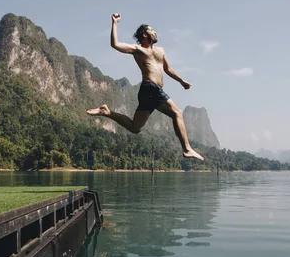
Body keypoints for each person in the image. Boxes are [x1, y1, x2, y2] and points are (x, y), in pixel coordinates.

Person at [87, 15, 204, 162]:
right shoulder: (138, 50)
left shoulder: (161, 51)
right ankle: (187, 149)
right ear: (144, 34)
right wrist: (114, 23)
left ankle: (107, 112)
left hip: (149, 92)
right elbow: (115, 44)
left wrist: (181, 81)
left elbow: (168, 69)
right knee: (177, 113)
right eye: (152, 30)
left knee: (135, 127)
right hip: (150, 87)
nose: (155, 32)